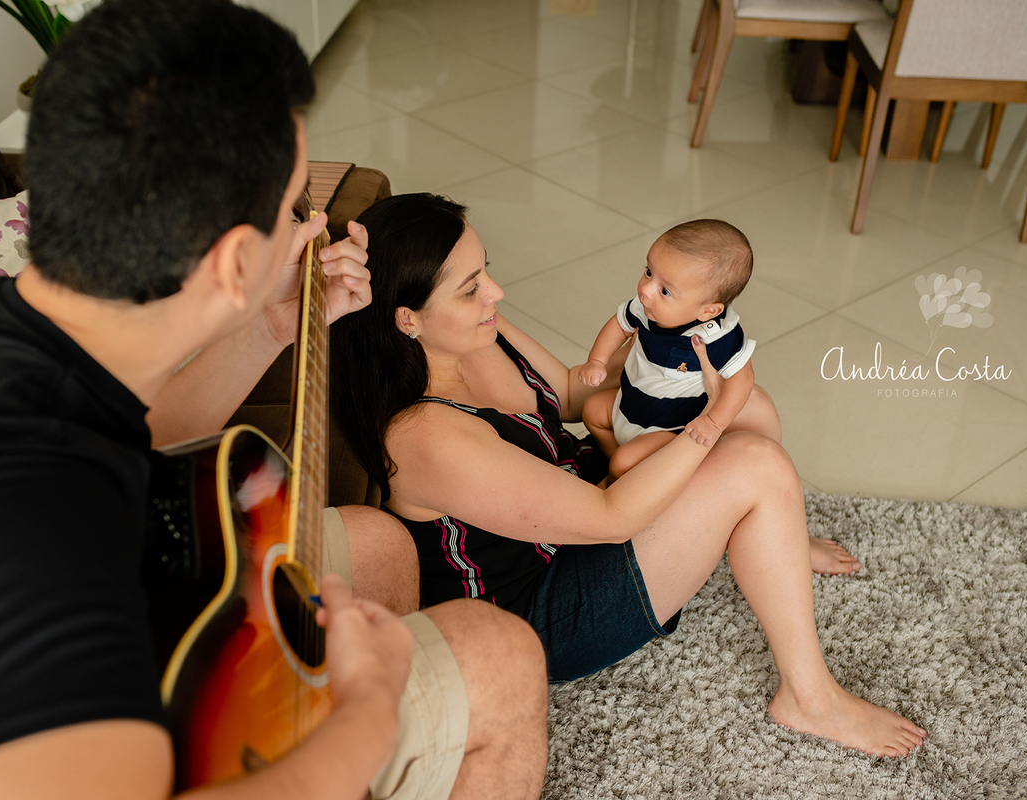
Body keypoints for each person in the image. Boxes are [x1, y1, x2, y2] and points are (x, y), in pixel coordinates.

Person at [0, 4, 547, 800]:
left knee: (378, 546)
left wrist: (267, 327)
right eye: (291, 213)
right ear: (236, 259)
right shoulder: (27, 529)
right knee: (499, 656)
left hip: (28, 642)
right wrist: (366, 715)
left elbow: (123, 433)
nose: (308, 225)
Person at [330, 193, 926, 758]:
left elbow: (565, 392)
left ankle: (776, 534)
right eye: (470, 289)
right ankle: (809, 696)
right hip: (542, 608)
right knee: (754, 461)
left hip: (583, 491)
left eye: (485, 270)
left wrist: (660, 347)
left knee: (754, 406)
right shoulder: (425, 436)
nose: (496, 292)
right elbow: (611, 520)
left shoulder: (470, 333)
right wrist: (709, 422)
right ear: (407, 319)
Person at [578, 220, 775, 479]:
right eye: (648, 272)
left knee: (623, 463)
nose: (646, 291)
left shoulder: (716, 336)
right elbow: (619, 325)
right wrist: (597, 360)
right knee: (591, 411)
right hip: (627, 405)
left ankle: (620, 480)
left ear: (709, 311)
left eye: (665, 290)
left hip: (668, 429)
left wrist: (713, 422)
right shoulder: (646, 307)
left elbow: (743, 378)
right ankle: (631, 473)